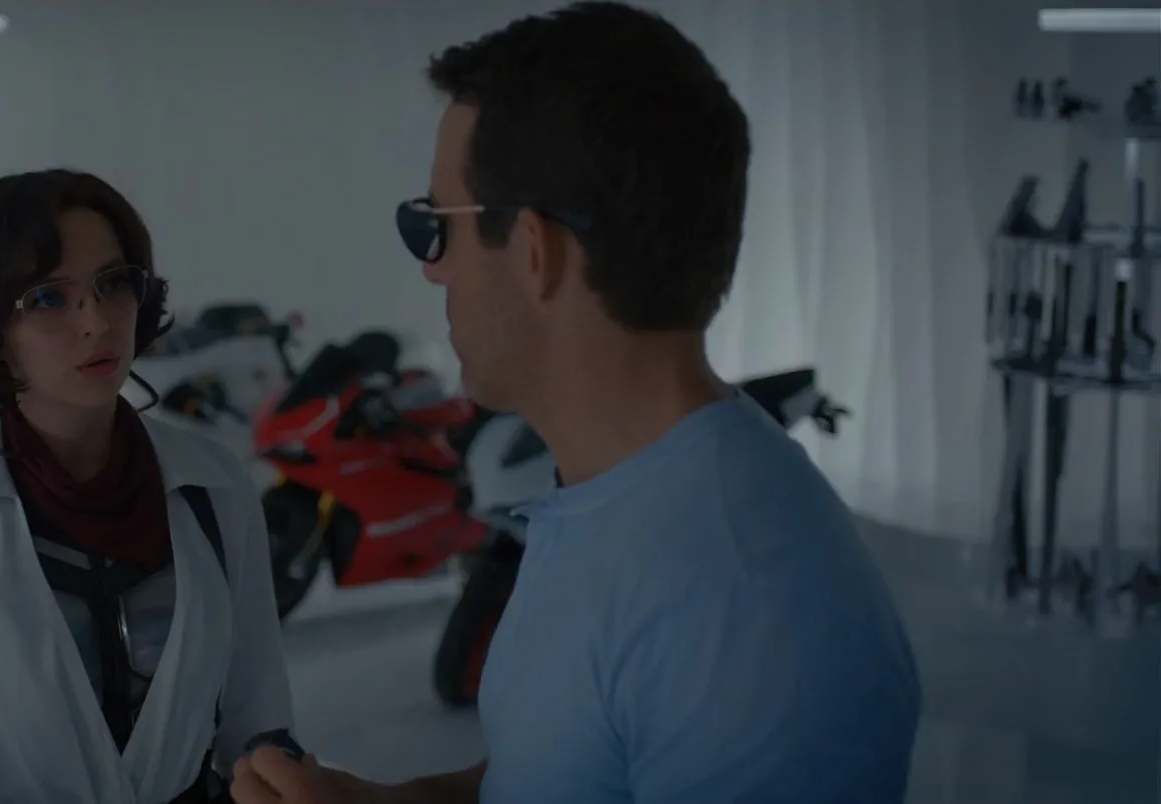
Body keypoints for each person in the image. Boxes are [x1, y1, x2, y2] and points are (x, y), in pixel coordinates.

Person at [233, 3, 920, 803]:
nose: (431, 268)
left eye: (436, 226)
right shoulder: (609, 499)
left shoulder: (746, 618)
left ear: (536, 251)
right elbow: (560, 775)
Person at [0, 169, 295, 803]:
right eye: (49, 297)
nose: (96, 322)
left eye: (114, 284)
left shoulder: (214, 485)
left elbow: (260, 727)